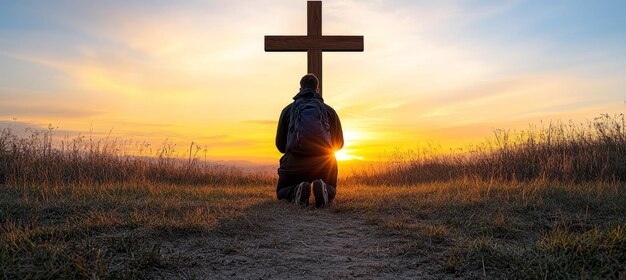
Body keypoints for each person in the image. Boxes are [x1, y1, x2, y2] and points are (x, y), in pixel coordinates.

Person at [275, 74, 344, 207]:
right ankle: (325, 189)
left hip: (294, 165)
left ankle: (296, 190)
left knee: (282, 191)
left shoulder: (287, 110)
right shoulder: (329, 111)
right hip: (324, 164)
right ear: (317, 90)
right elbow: (339, 144)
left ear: (300, 89)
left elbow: (280, 146)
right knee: (331, 182)